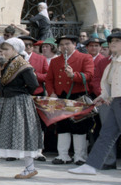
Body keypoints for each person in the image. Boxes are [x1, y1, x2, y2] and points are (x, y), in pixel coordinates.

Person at [0, 38, 44, 179]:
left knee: (22, 133)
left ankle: (30, 168)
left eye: (6, 49)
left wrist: (19, 94)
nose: (3, 52)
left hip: (18, 103)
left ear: (15, 50)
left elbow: (33, 84)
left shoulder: (22, 65)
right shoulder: (9, 63)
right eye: (3, 49)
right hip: (6, 102)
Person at [69, 32, 121, 176]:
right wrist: (102, 96)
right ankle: (91, 165)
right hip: (114, 101)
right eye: (112, 41)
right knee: (106, 134)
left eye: (117, 41)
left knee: (107, 134)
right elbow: (110, 83)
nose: (113, 43)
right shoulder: (113, 61)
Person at [45, 35, 94, 165]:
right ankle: (63, 155)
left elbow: (89, 75)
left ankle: (80, 156)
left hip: (77, 95)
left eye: (67, 44)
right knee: (62, 126)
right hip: (61, 96)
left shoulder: (85, 57)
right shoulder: (55, 61)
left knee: (79, 126)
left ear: (75, 44)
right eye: (61, 45)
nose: (64, 47)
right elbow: (49, 79)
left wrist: (74, 75)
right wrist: (52, 93)